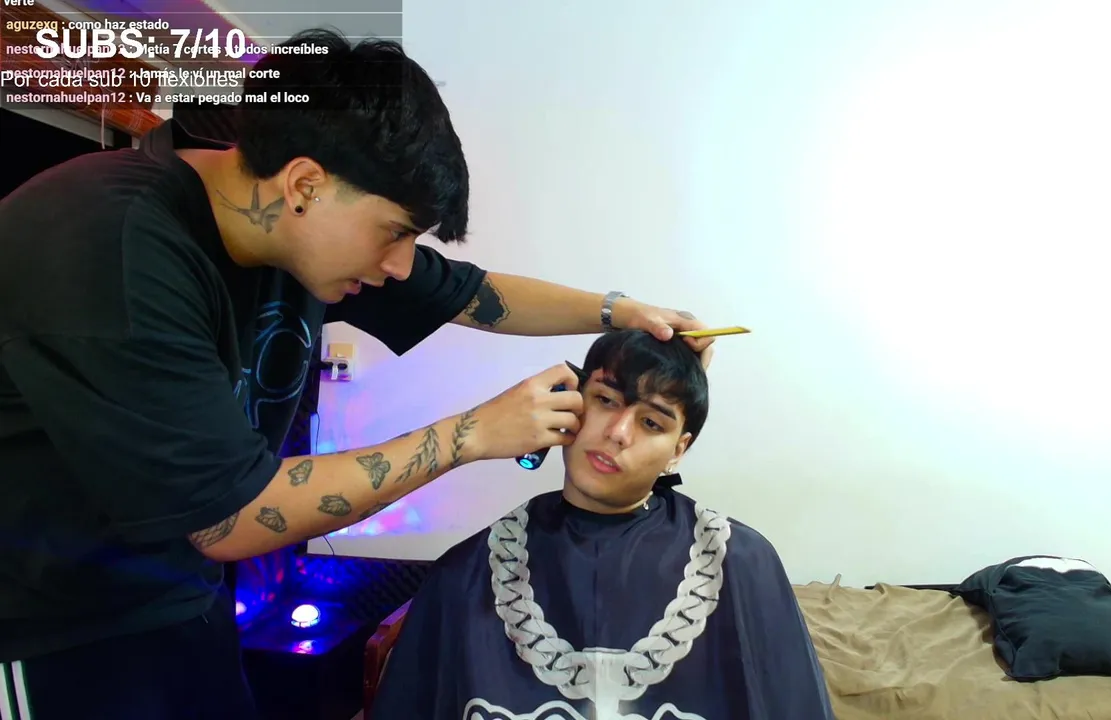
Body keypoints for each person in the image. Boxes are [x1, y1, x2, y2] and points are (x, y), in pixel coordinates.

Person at [0, 28, 717, 719]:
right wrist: (472, 434)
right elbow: (230, 517)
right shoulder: (113, 246)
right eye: (396, 233)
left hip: (179, 596)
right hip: (50, 624)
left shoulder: (292, 228)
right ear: (305, 184)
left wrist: (623, 313)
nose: (401, 266)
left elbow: (470, 294)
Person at [369, 329, 835, 720]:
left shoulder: (740, 561)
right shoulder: (468, 570)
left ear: (678, 450)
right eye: (607, 400)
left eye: (652, 423)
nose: (618, 432)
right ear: (573, 405)